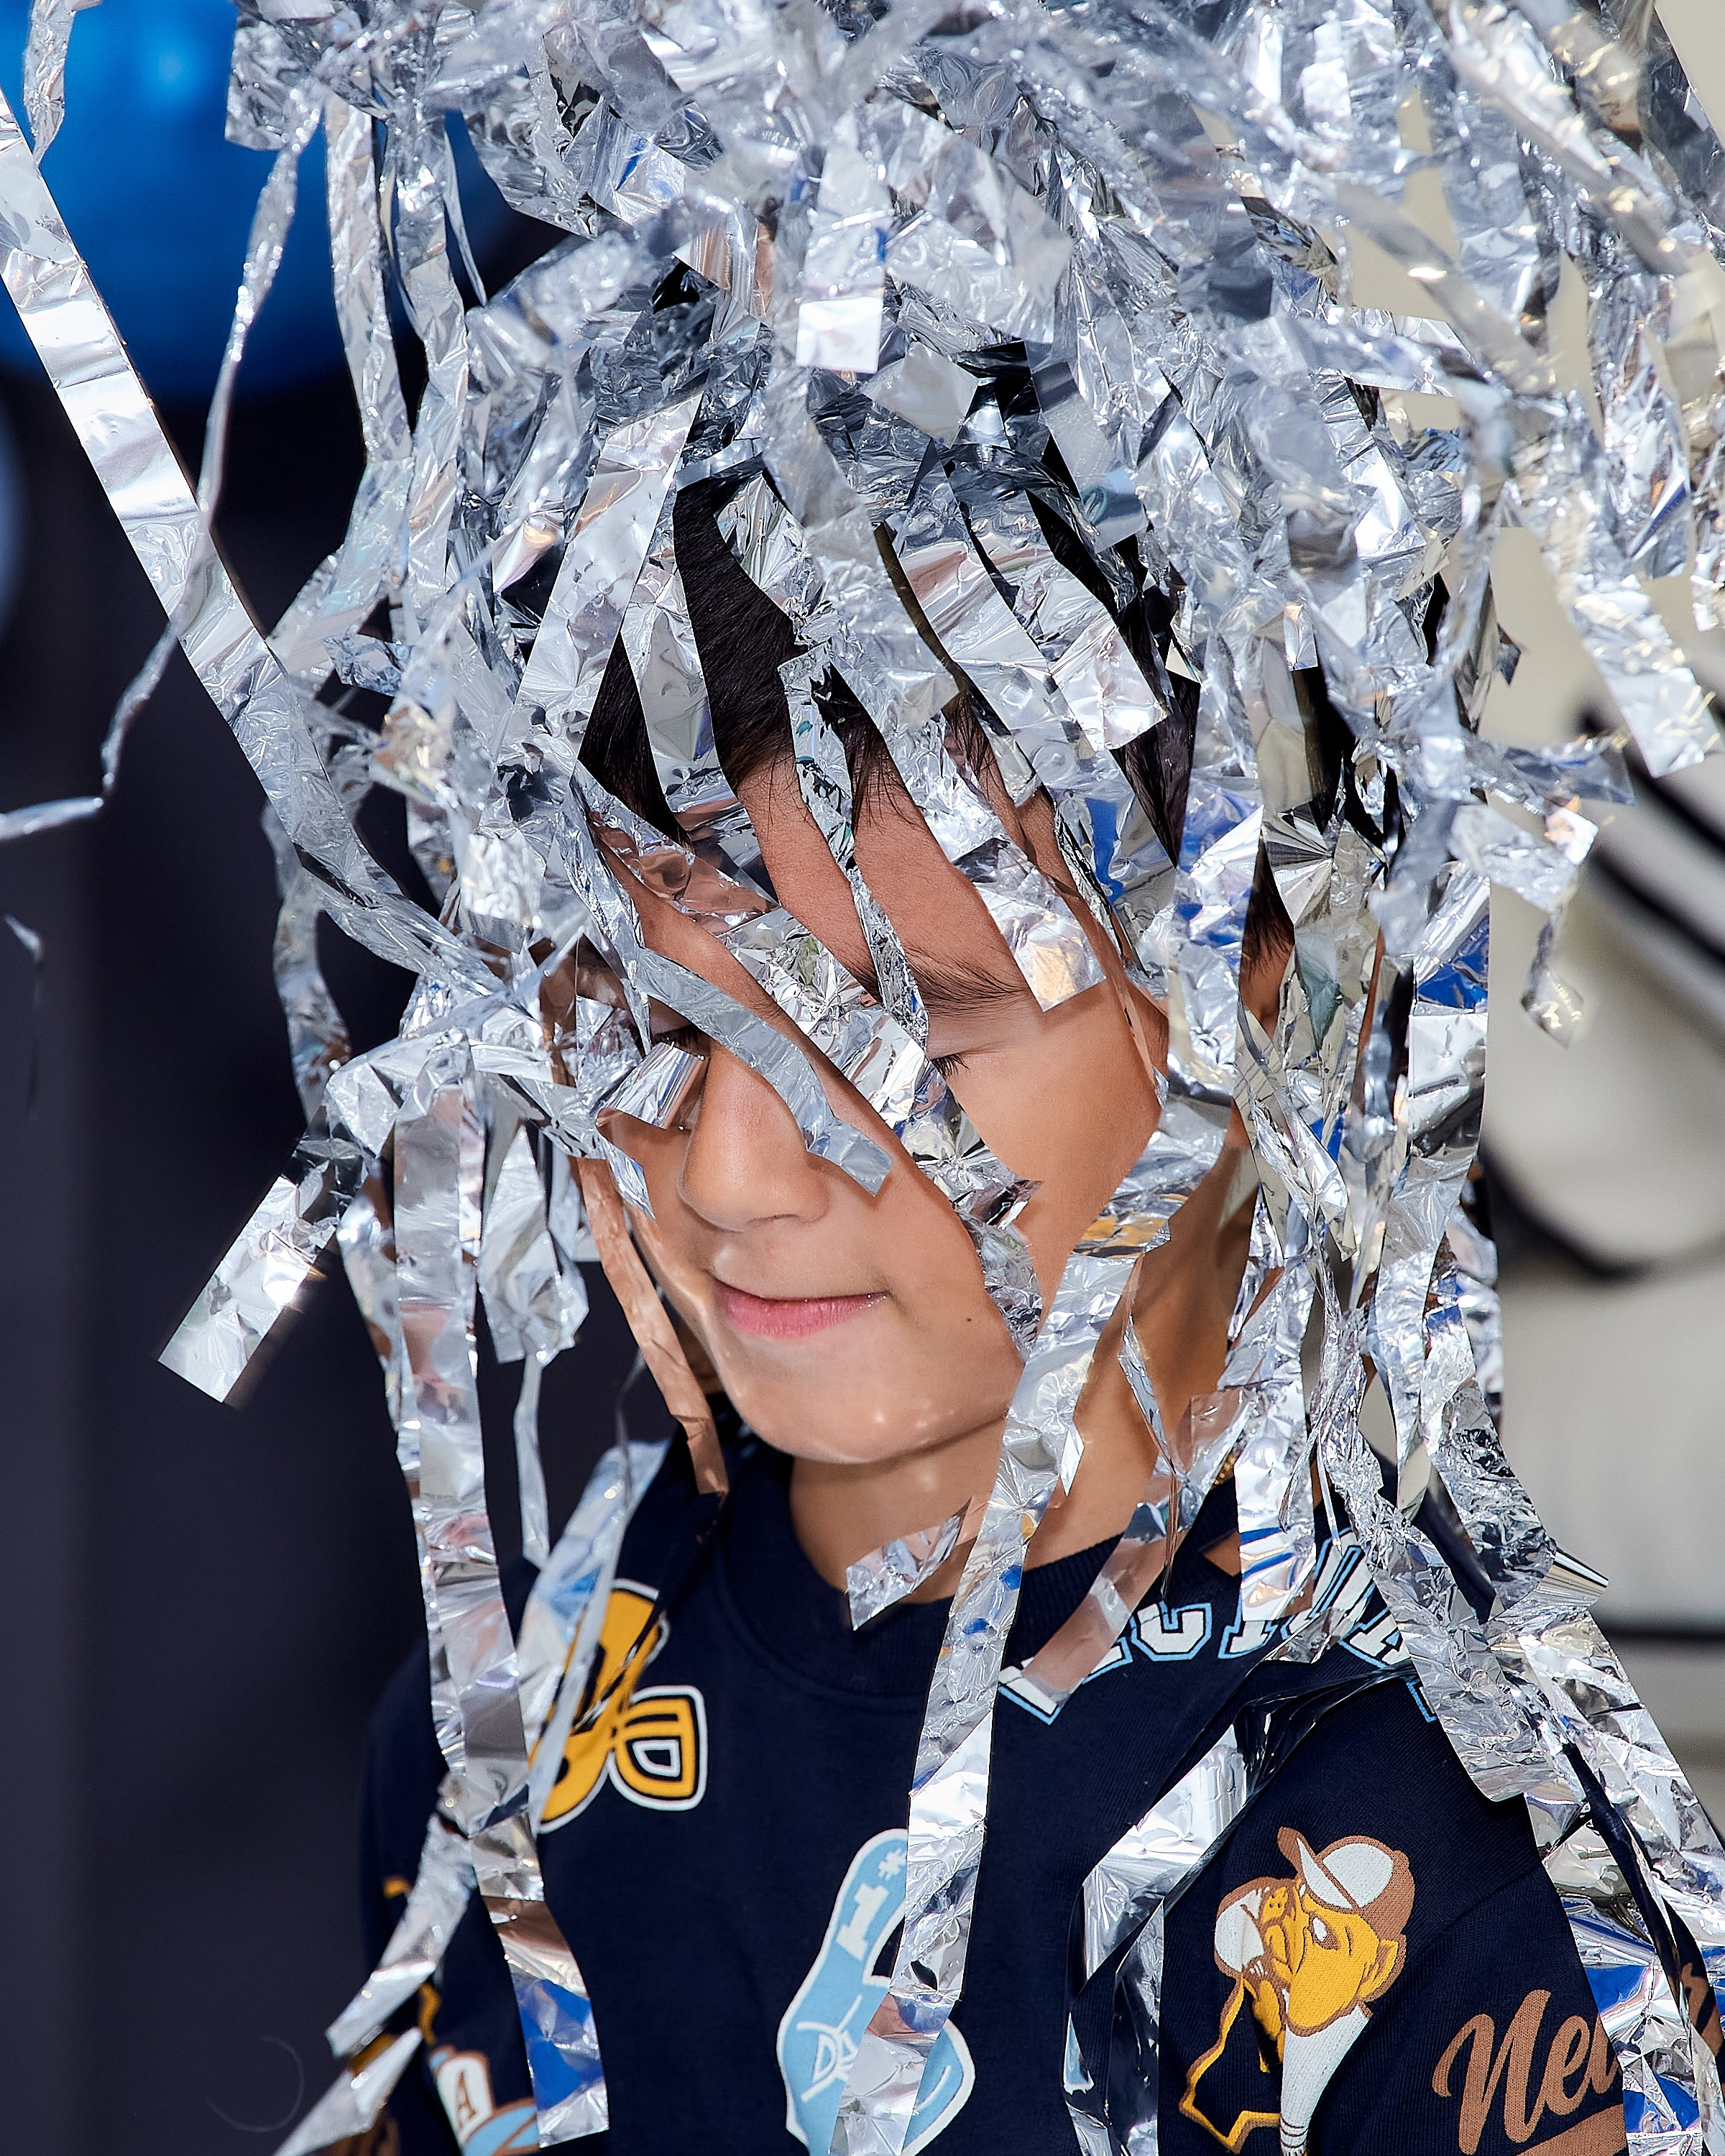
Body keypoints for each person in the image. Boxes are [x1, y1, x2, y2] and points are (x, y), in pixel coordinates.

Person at [358, 484, 1655, 2156]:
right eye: (651, 1016)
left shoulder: (1465, 1848)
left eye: (896, 1046)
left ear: (1265, 978)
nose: (737, 1171)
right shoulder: (510, 1701)